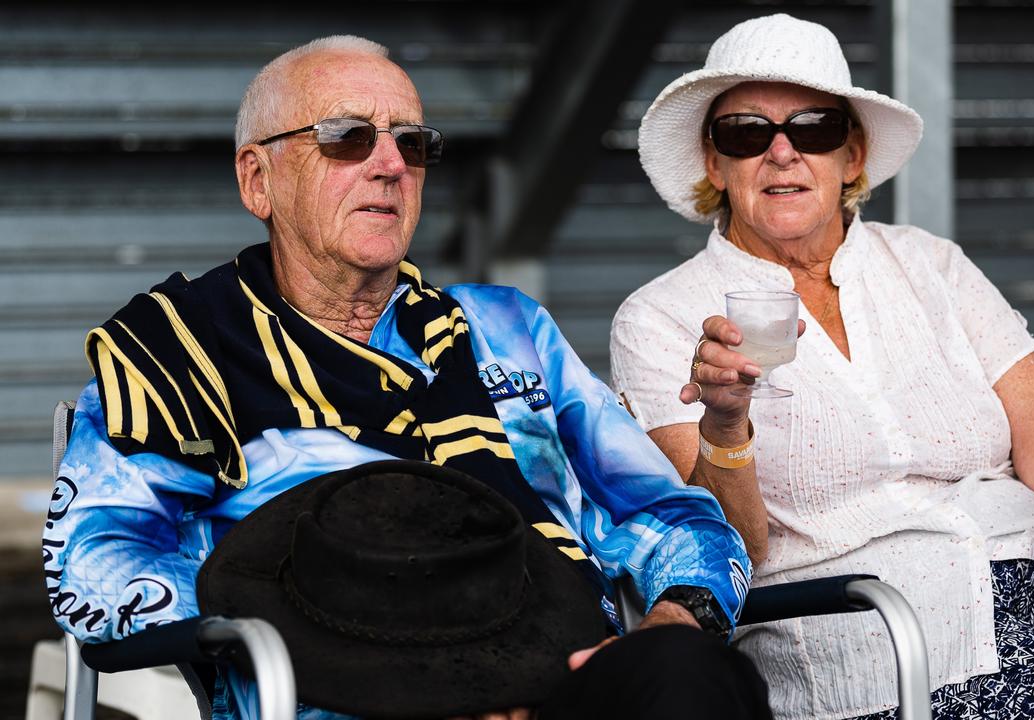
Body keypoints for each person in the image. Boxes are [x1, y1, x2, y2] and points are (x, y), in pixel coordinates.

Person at [43, 35, 770, 720]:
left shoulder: (509, 332)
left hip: (562, 677)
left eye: (411, 143)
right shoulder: (178, 354)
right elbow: (95, 562)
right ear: (256, 180)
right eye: (347, 137)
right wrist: (349, 658)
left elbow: (677, 520)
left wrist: (671, 619)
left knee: (688, 671)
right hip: (338, 694)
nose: (390, 164)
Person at [610, 13, 1034, 720]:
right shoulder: (660, 317)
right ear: (713, 163)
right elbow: (722, 551)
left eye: (813, 128)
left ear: (851, 157)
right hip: (880, 635)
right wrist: (726, 424)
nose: (782, 153)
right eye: (747, 133)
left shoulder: (929, 262)